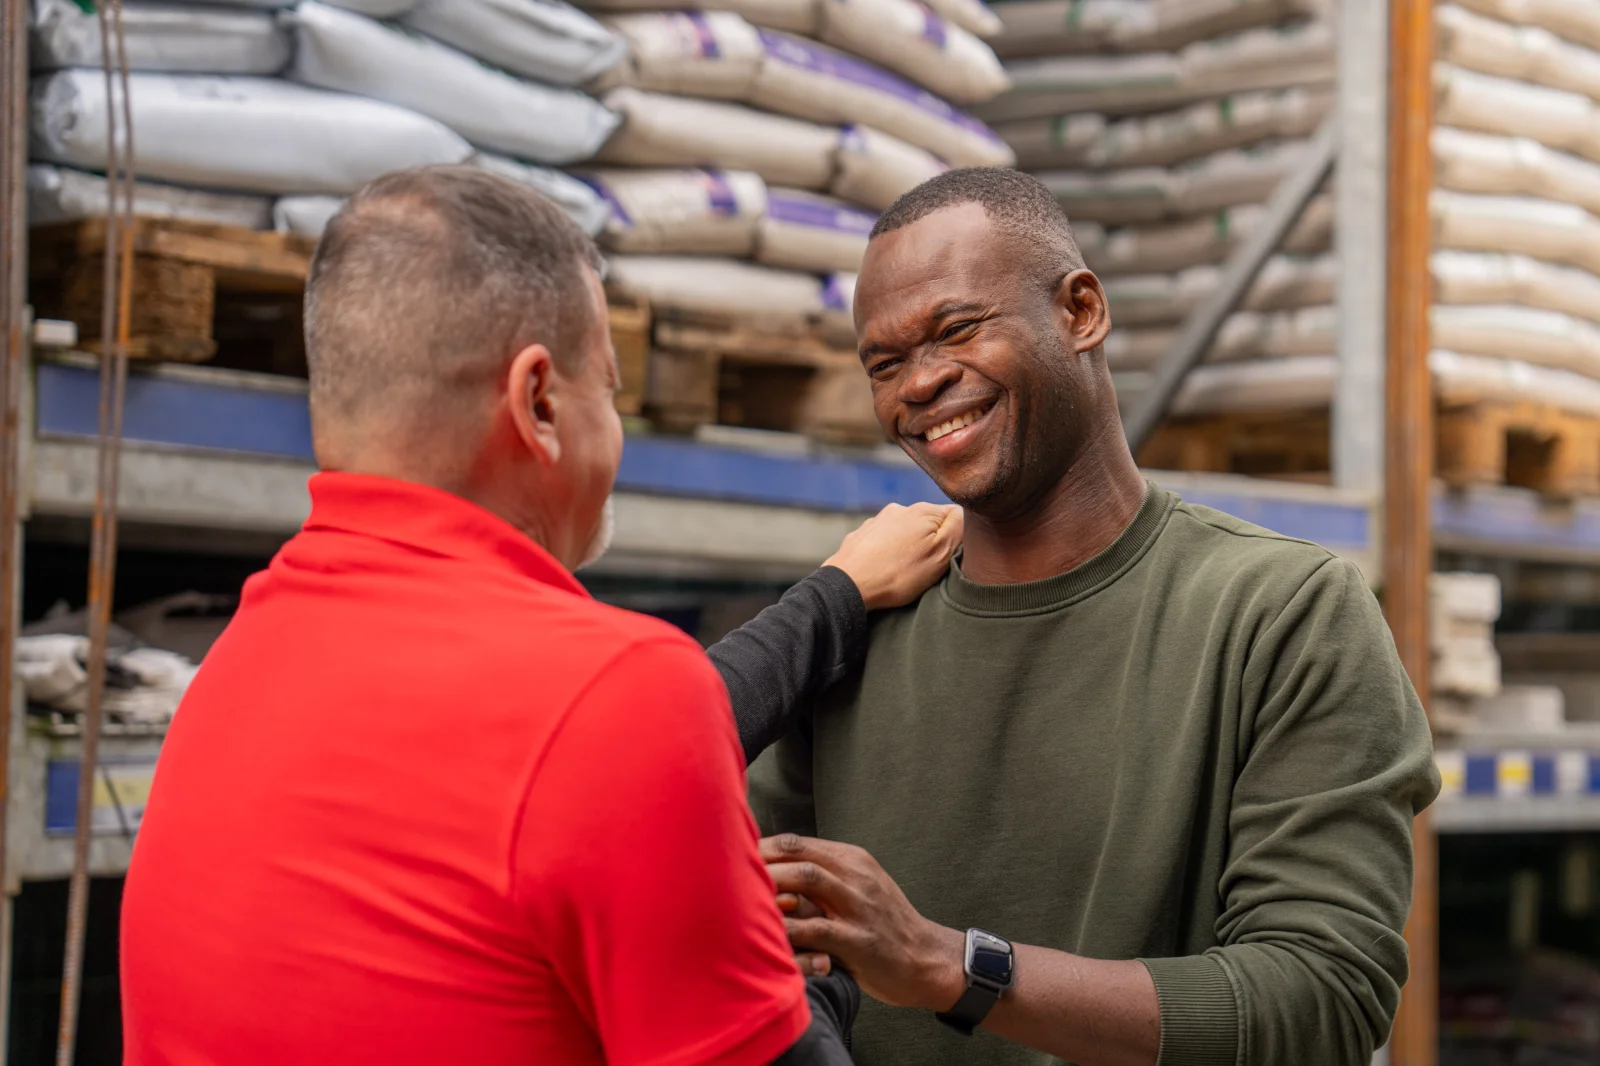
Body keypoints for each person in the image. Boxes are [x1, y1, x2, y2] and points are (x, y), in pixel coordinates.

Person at [118, 165, 959, 1066]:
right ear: (540, 403)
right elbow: (608, 729)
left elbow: (559, 759)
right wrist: (814, 977)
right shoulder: (615, 696)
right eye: (608, 387)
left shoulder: (242, 664)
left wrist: (832, 599)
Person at [740, 168, 1443, 1066]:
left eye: (957, 329)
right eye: (885, 364)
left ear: (1080, 313)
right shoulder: (856, 635)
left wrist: (951, 967)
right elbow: (769, 963)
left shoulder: (1282, 614)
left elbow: (1322, 999)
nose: (919, 384)